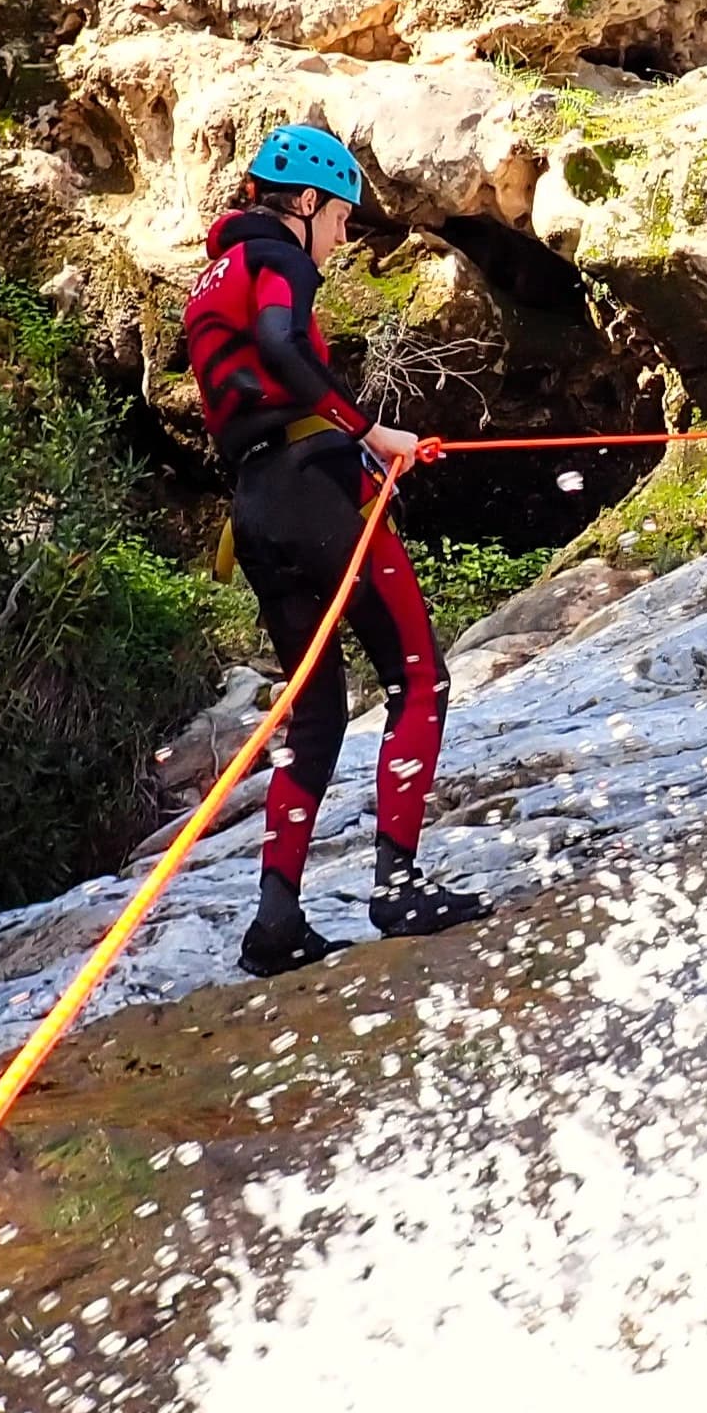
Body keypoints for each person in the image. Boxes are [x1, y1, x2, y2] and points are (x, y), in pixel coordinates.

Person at [184, 122, 486, 975]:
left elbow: (252, 388)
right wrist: (374, 431)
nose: (344, 236)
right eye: (341, 217)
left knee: (313, 716)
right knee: (419, 677)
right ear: (307, 202)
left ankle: (275, 922)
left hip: (253, 508)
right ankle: (397, 886)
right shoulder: (277, 257)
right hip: (316, 490)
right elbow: (282, 345)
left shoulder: (213, 277)